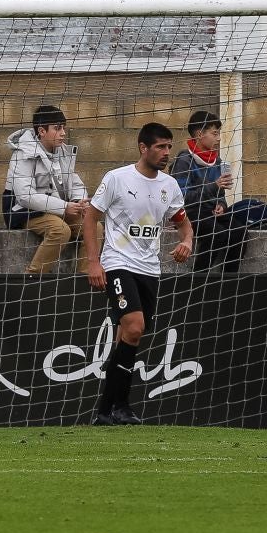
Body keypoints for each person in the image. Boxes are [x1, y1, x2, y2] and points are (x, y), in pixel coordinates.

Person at [81, 122, 194, 425]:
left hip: (149, 268)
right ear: (143, 148)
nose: (166, 152)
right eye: (160, 146)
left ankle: (109, 410)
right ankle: (120, 406)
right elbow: (91, 218)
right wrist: (94, 262)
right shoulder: (117, 178)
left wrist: (186, 242)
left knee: (128, 336)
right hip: (118, 262)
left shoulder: (169, 185)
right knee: (134, 327)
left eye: (169, 146)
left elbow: (183, 224)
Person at [5, 105, 89, 274]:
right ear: (42, 131)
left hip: (56, 207)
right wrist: (64, 207)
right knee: (60, 230)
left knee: (93, 227)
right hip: (24, 211)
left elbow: (74, 182)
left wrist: (79, 201)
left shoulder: (62, 151)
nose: (63, 133)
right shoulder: (23, 153)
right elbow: (25, 196)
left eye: (63, 128)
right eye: (57, 128)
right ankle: (32, 277)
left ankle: (85, 278)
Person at [170, 110, 247, 273]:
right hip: (190, 215)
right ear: (200, 134)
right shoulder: (184, 160)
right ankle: (199, 276)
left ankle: (230, 277)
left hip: (210, 213)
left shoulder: (217, 161)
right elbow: (182, 198)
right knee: (217, 233)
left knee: (240, 230)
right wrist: (214, 186)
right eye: (215, 133)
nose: (219, 138)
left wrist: (221, 205)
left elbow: (220, 195)